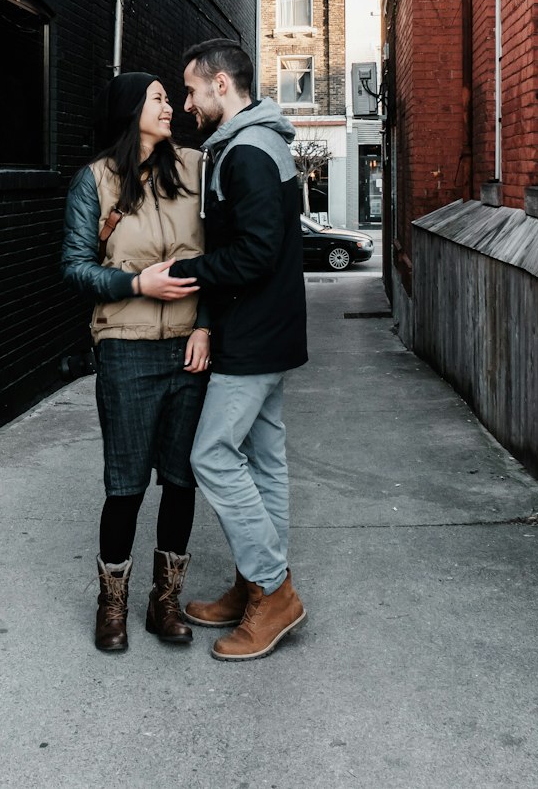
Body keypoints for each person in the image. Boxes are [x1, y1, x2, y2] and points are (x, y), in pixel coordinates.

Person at [61, 72, 212, 653]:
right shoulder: (95, 181)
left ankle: (164, 599)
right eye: (158, 98)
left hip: (190, 350)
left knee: (180, 481)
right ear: (130, 109)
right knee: (125, 486)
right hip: (125, 347)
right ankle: (113, 602)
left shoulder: (197, 168)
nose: (171, 106)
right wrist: (136, 282)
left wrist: (207, 326)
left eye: (171, 98)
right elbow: (75, 267)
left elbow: (223, 259)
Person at [168, 38, 309, 661]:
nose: (187, 101)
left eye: (193, 89)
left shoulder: (245, 152)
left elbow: (255, 252)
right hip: (269, 331)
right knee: (266, 461)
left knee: (213, 456)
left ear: (222, 85)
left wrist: (194, 268)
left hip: (250, 335)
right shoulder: (261, 142)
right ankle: (255, 584)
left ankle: (273, 592)